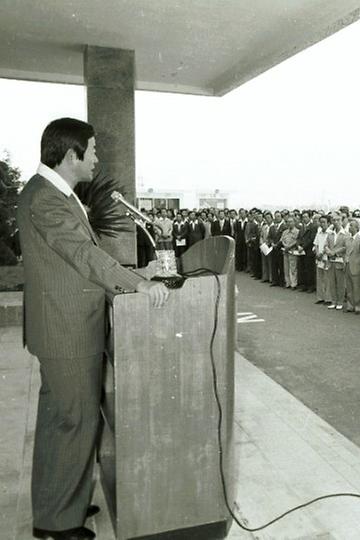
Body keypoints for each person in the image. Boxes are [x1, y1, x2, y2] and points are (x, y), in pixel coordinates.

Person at [18, 118, 169, 540]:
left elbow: (77, 262)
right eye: (93, 150)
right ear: (71, 156)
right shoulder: (46, 198)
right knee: (72, 422)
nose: (97, 158)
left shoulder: (52, 194)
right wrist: (137, 283)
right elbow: (82, 253)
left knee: (65, 422)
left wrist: (137, 271)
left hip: (66, 326)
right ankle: (56, 523)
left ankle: (63, 500)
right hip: (66, 332)